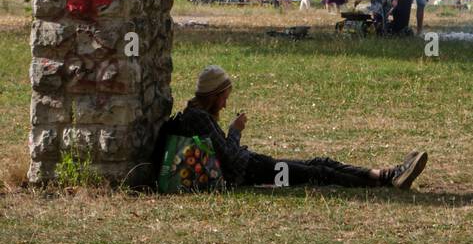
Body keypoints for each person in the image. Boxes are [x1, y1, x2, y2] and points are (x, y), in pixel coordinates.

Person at [164, 66, 428, 190]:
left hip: (253, 164)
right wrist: (235, 130)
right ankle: (385, 182)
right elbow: (229, 159)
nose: (225, 103)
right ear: (214, 94)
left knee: (319, 163)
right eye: (224, 96)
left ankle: (385, 174)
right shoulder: (199, 118)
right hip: (251, 170)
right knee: (317, 172)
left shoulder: (197, 115)